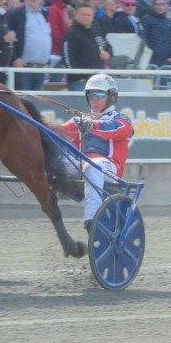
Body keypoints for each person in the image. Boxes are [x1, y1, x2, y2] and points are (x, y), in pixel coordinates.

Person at [54, 74, 134, 231]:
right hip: (82, 167)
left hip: (109, 170)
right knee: (52, 159)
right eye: (91, 94)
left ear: (111, 97)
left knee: (93, 165)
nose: (94, 98)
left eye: (100, 94)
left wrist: (93, 125)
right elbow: (60, 132)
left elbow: (115, 128)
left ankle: (92, 219)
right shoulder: (80, 120)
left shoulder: (122, 119)